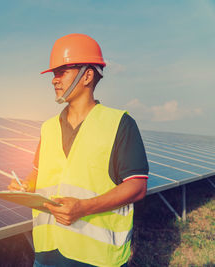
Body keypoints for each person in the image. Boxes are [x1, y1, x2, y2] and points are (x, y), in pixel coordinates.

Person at [8, 33, 149, 267]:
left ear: (87, 75)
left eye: (62, 72)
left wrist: (83, 207)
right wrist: (25, 186)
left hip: (96, 257)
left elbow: (137, 186)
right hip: (47, 252)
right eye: (54, 73)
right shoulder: (48, 127)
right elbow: (38, 173)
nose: (54, 80)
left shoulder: (120, 124)